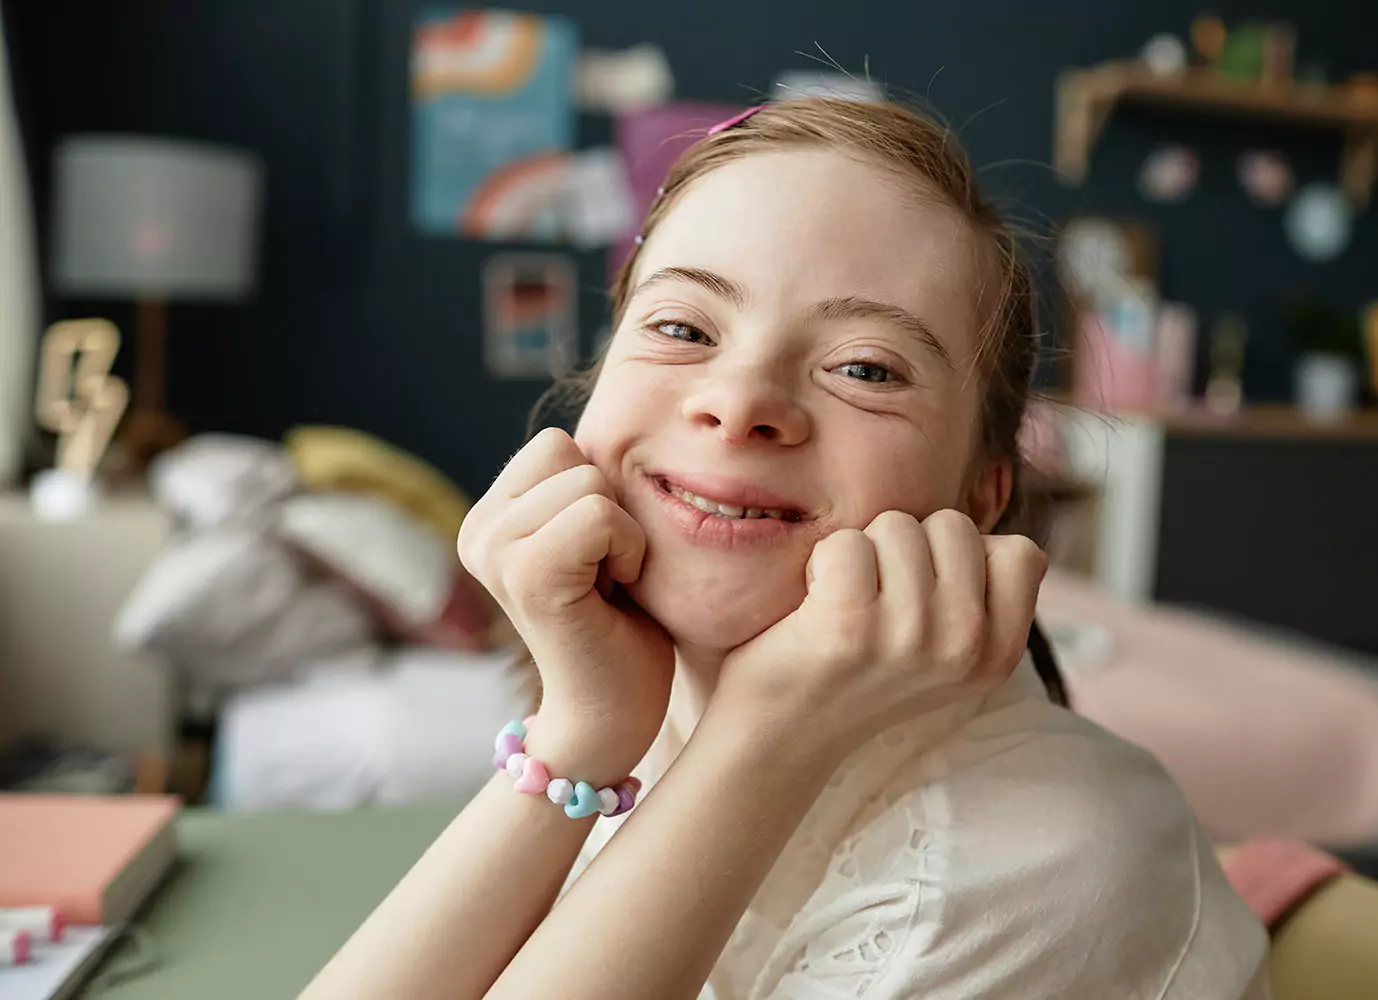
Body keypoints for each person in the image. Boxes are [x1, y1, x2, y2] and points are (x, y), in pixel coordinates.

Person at [302, 99, 1270, 1000]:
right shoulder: (645, 720)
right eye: (683, 326)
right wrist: (581, 726)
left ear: (981, 495)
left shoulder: (1040, 870)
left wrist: (767, 733)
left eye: (863, 366)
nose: (741, 401)